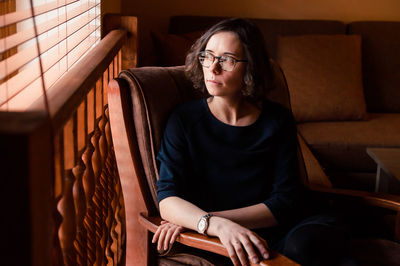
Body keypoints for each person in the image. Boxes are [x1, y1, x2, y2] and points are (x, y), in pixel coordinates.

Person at [152, 18, 355, 266]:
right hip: (222, 237)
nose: (213, 68)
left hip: (290, 228)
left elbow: (284, 202)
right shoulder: (183, 121)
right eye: (208, 56)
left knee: (306, 246)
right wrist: (214, 226)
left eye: (227, 60)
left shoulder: (277, 120)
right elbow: (168, 199)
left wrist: (205, 221)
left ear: (250, 68)